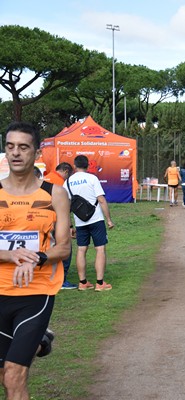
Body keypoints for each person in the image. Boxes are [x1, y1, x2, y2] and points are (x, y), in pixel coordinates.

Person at [0, 121, 71, 399]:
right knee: (3, 374)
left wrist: (37, 258)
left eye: (23, 147)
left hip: (35, 293)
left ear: (37, 153)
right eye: (10, 147)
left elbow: (64, 247)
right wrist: (10, 255)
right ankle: (41, 342)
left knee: (15, 375)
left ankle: (35, 339)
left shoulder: (54, 193)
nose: (16, 153)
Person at [64, 155, 115, 291]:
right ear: (87, 166)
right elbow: (101, 200)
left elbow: (66, 207)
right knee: (100, 249)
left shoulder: (67, 182)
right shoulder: (92, 178)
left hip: (80, 221)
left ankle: (83, 282)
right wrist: (109, 219)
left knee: (81, 250)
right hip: (96, 219)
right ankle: (99, 283)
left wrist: (70, 226)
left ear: (74, 166)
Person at [44, 163, 77, 289]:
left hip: (43, 220)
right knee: (64, 248)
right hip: (56, 220)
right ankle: (62, 280)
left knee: (49, 248)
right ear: (65, 171)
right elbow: (64, 208)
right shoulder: (60, 183)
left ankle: (49, 276)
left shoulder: (46, 178)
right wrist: (69, 226)